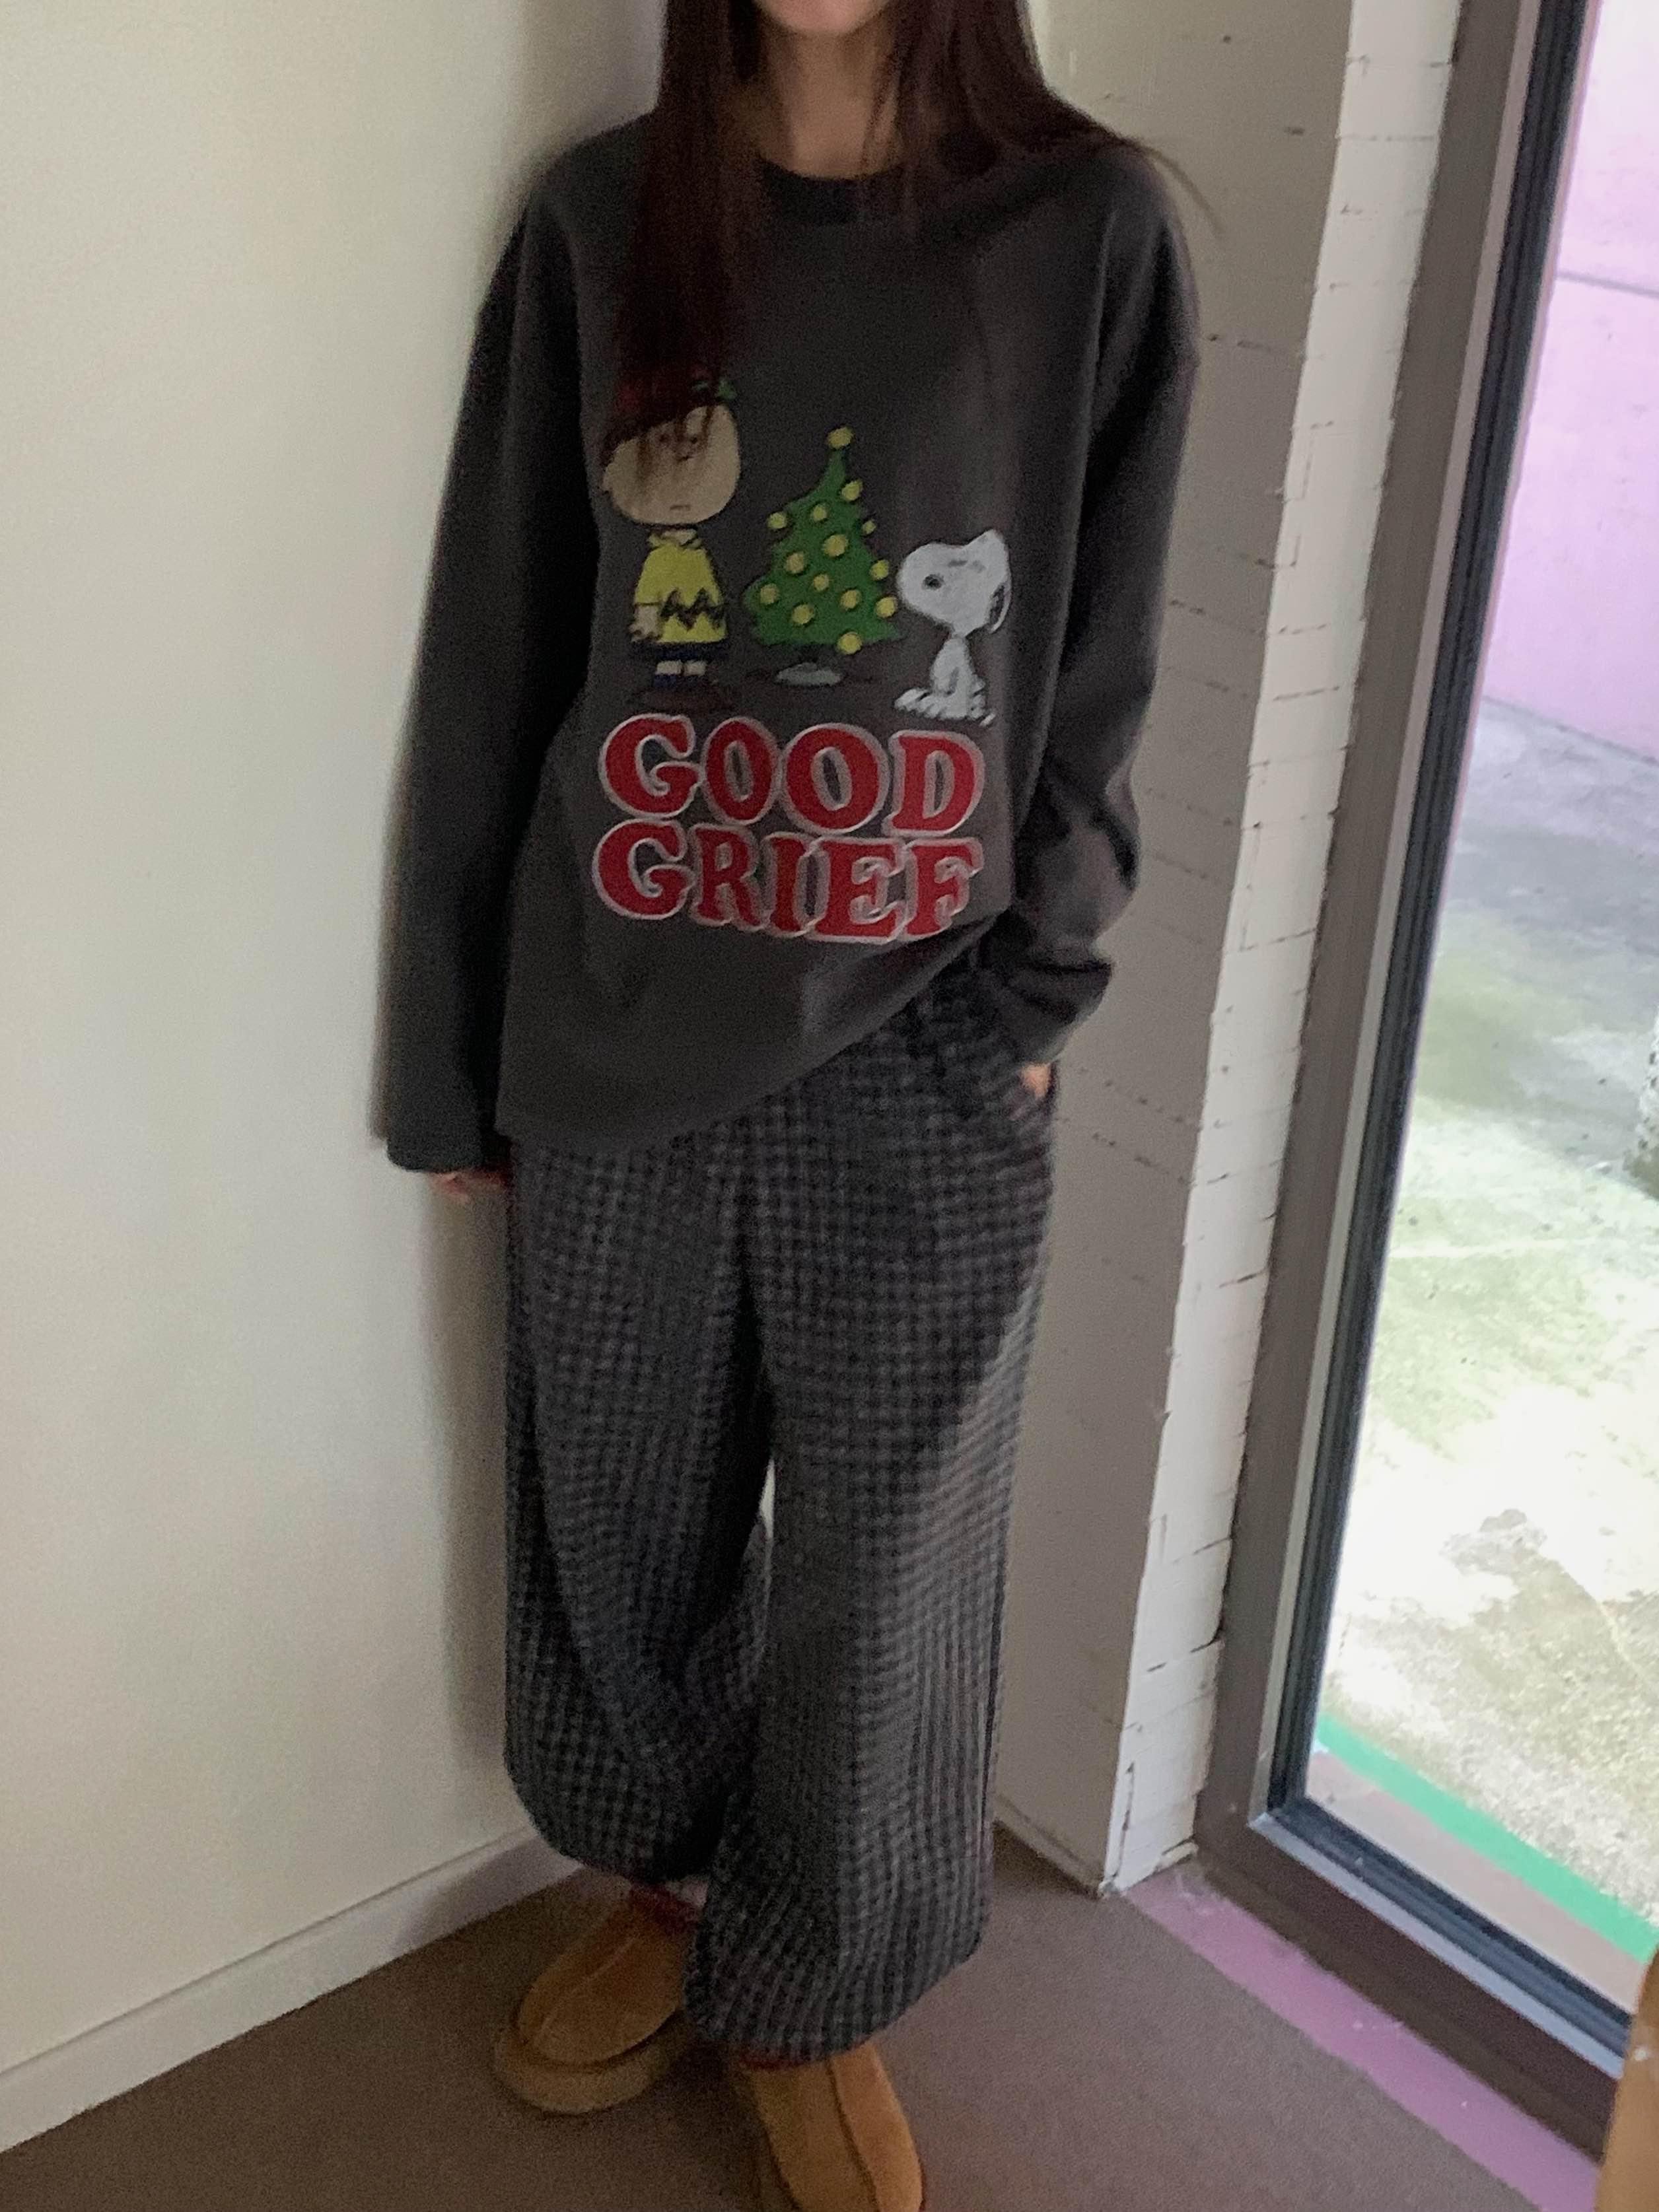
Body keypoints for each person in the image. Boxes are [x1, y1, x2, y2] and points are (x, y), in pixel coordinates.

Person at [381, 1, 1198, 2205]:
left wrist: (1034, 988)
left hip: (926, 1049)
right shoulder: (599, 226)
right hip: (617, 1026)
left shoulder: (1089, 233)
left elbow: (1100, 670)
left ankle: (810, 1991)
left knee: (888, 1572)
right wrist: (445, 1059)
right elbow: (497, 650)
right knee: (619, 1528)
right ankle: (669, 1896)